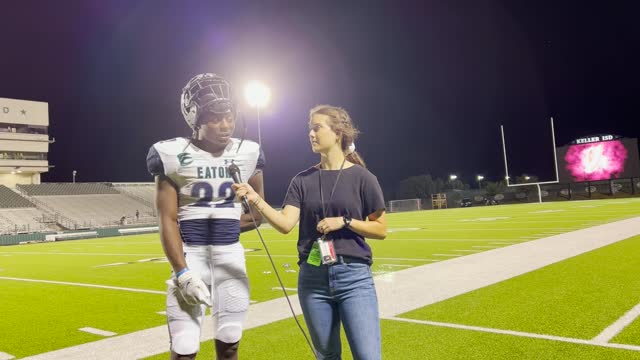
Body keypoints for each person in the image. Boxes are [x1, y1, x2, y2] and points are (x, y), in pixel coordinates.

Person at [233, 105, 387, 360]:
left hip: (354, 279)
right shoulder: (301, 180)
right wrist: (255, 199)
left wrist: (345, 221)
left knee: (368, 356)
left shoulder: (363, 177)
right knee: (326, 356)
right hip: (313, 279)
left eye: (317, 128)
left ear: (337, 132)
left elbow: (381, 229)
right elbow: (285, 225)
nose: (311, 134)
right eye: (310, 129)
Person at [146, 73, 265, 360]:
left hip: (231, 260)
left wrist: (223, 228)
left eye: (229, 117)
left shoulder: (247, 152)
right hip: (192, 260)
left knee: (230, 342)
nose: (225, 125)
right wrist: (183, 273)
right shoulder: (171, 154)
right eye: (215, 118)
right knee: (185, 347)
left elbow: (257, 212)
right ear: (196, 119)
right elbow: (167, 220)